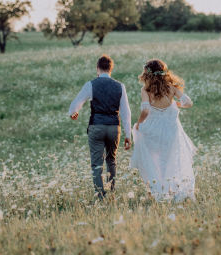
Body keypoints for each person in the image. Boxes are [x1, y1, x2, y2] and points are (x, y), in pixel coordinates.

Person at [129, 59, 197, 201]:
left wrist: (138, 124)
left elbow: (146, 110)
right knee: (170, 158)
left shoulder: (146, 89)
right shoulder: (172, 88)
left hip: (153, 131)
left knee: (154, 160)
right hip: (171, 131)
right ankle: (171, 189)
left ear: (148, 73)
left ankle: (158, 189)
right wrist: (176, 103)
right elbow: (189, 103)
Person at [68, 54, 132, 199]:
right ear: (111, 69)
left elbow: (75, 105)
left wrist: (73, 113)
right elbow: (126, 112)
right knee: (111, 160)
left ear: (97, 68)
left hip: (96, 126)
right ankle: (112, 192)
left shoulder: (91, 84)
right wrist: (128, 135)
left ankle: (100, 195)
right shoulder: (120, 86)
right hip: (114, 127)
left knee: (97, 163)